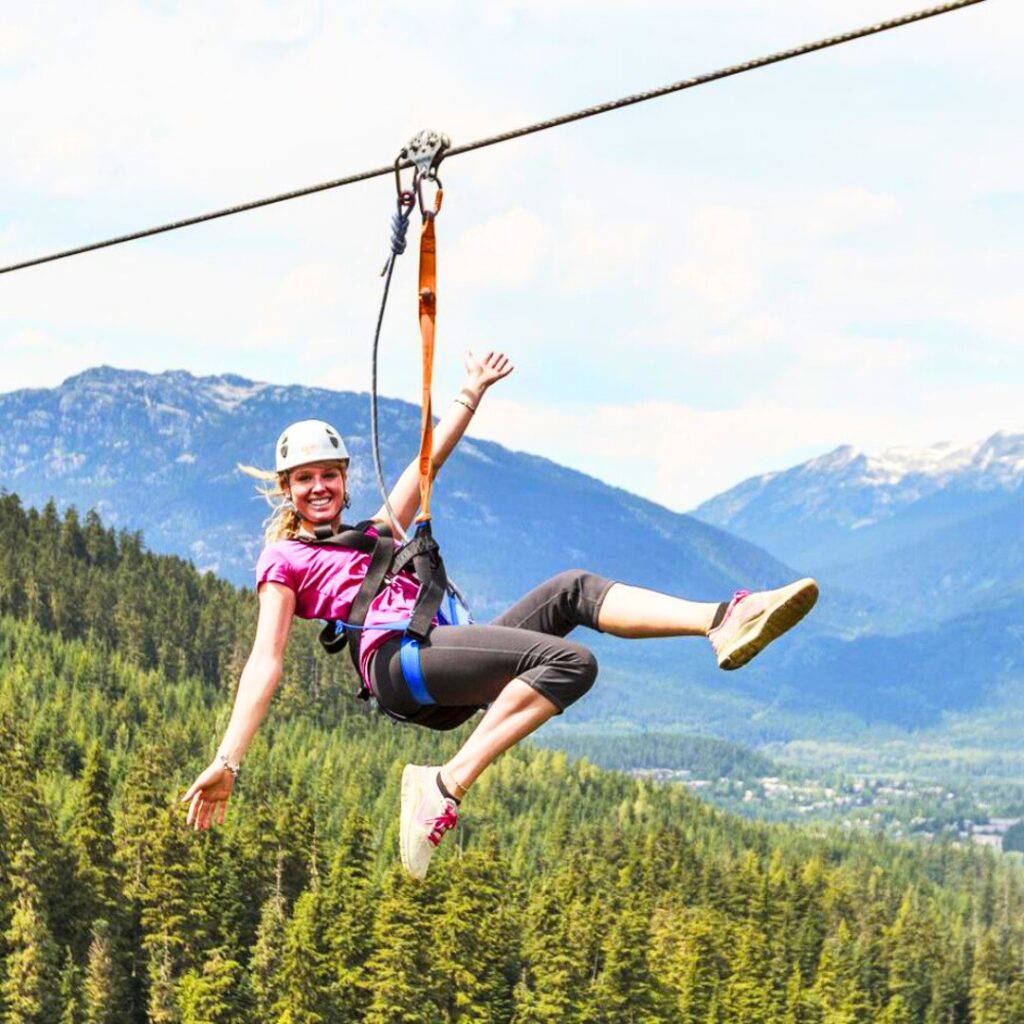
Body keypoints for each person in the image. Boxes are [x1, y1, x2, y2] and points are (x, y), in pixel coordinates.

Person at [181, 350, 818, 880]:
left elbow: (428, 462)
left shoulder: (377, 530)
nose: (319, 487)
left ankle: (721, 618)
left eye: (329, 475)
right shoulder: (284, 559)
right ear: (287, 489)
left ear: (345, 481)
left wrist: (470, 393)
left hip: (438, 655)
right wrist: (228, 760)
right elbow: (265, 663)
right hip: (398, 664)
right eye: (304, 479)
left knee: (572, 589)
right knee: (570, 664)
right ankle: (443, 785)